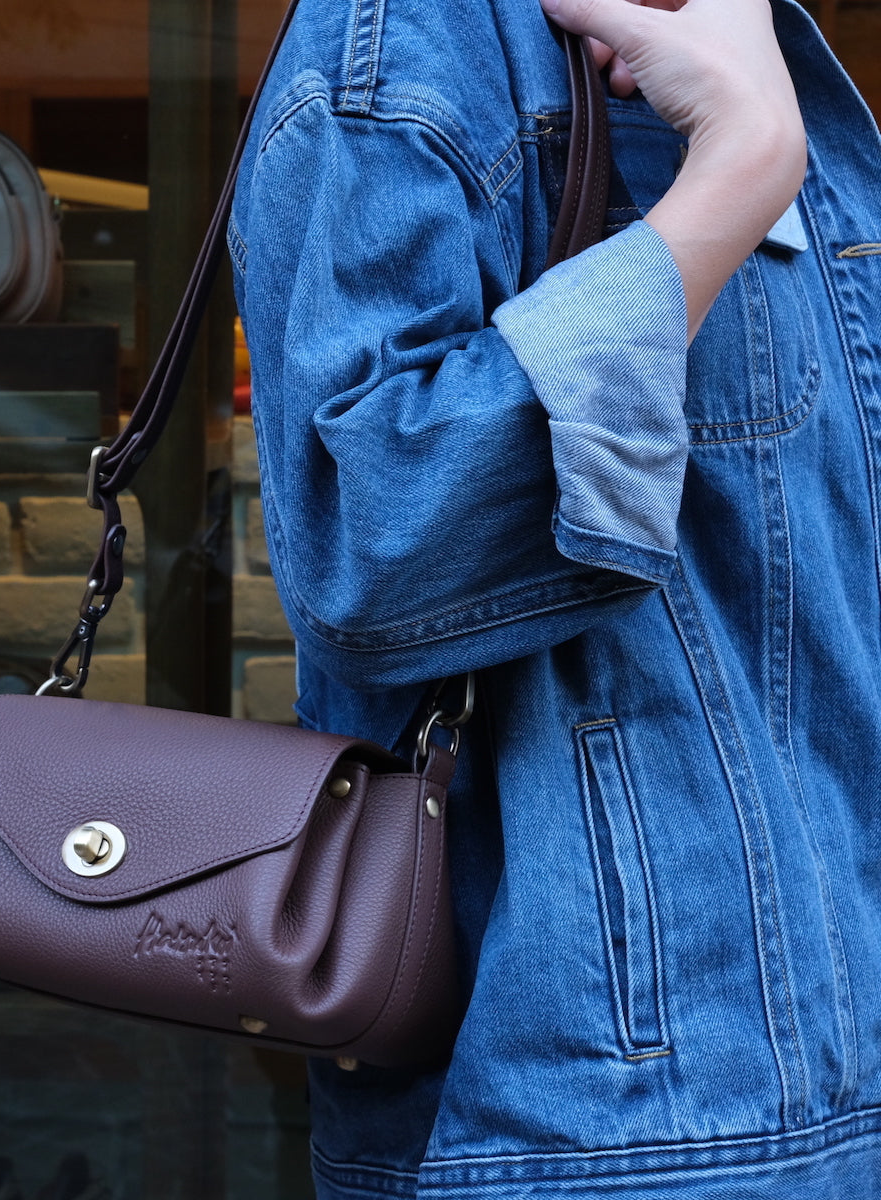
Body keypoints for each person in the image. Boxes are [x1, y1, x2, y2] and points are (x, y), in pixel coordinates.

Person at [229, 0, 881, 1195]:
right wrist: (737, 172)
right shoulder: (416, 33)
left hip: (822, 1083)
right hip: (608, 1128)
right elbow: (376, 540)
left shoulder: (761, 35)